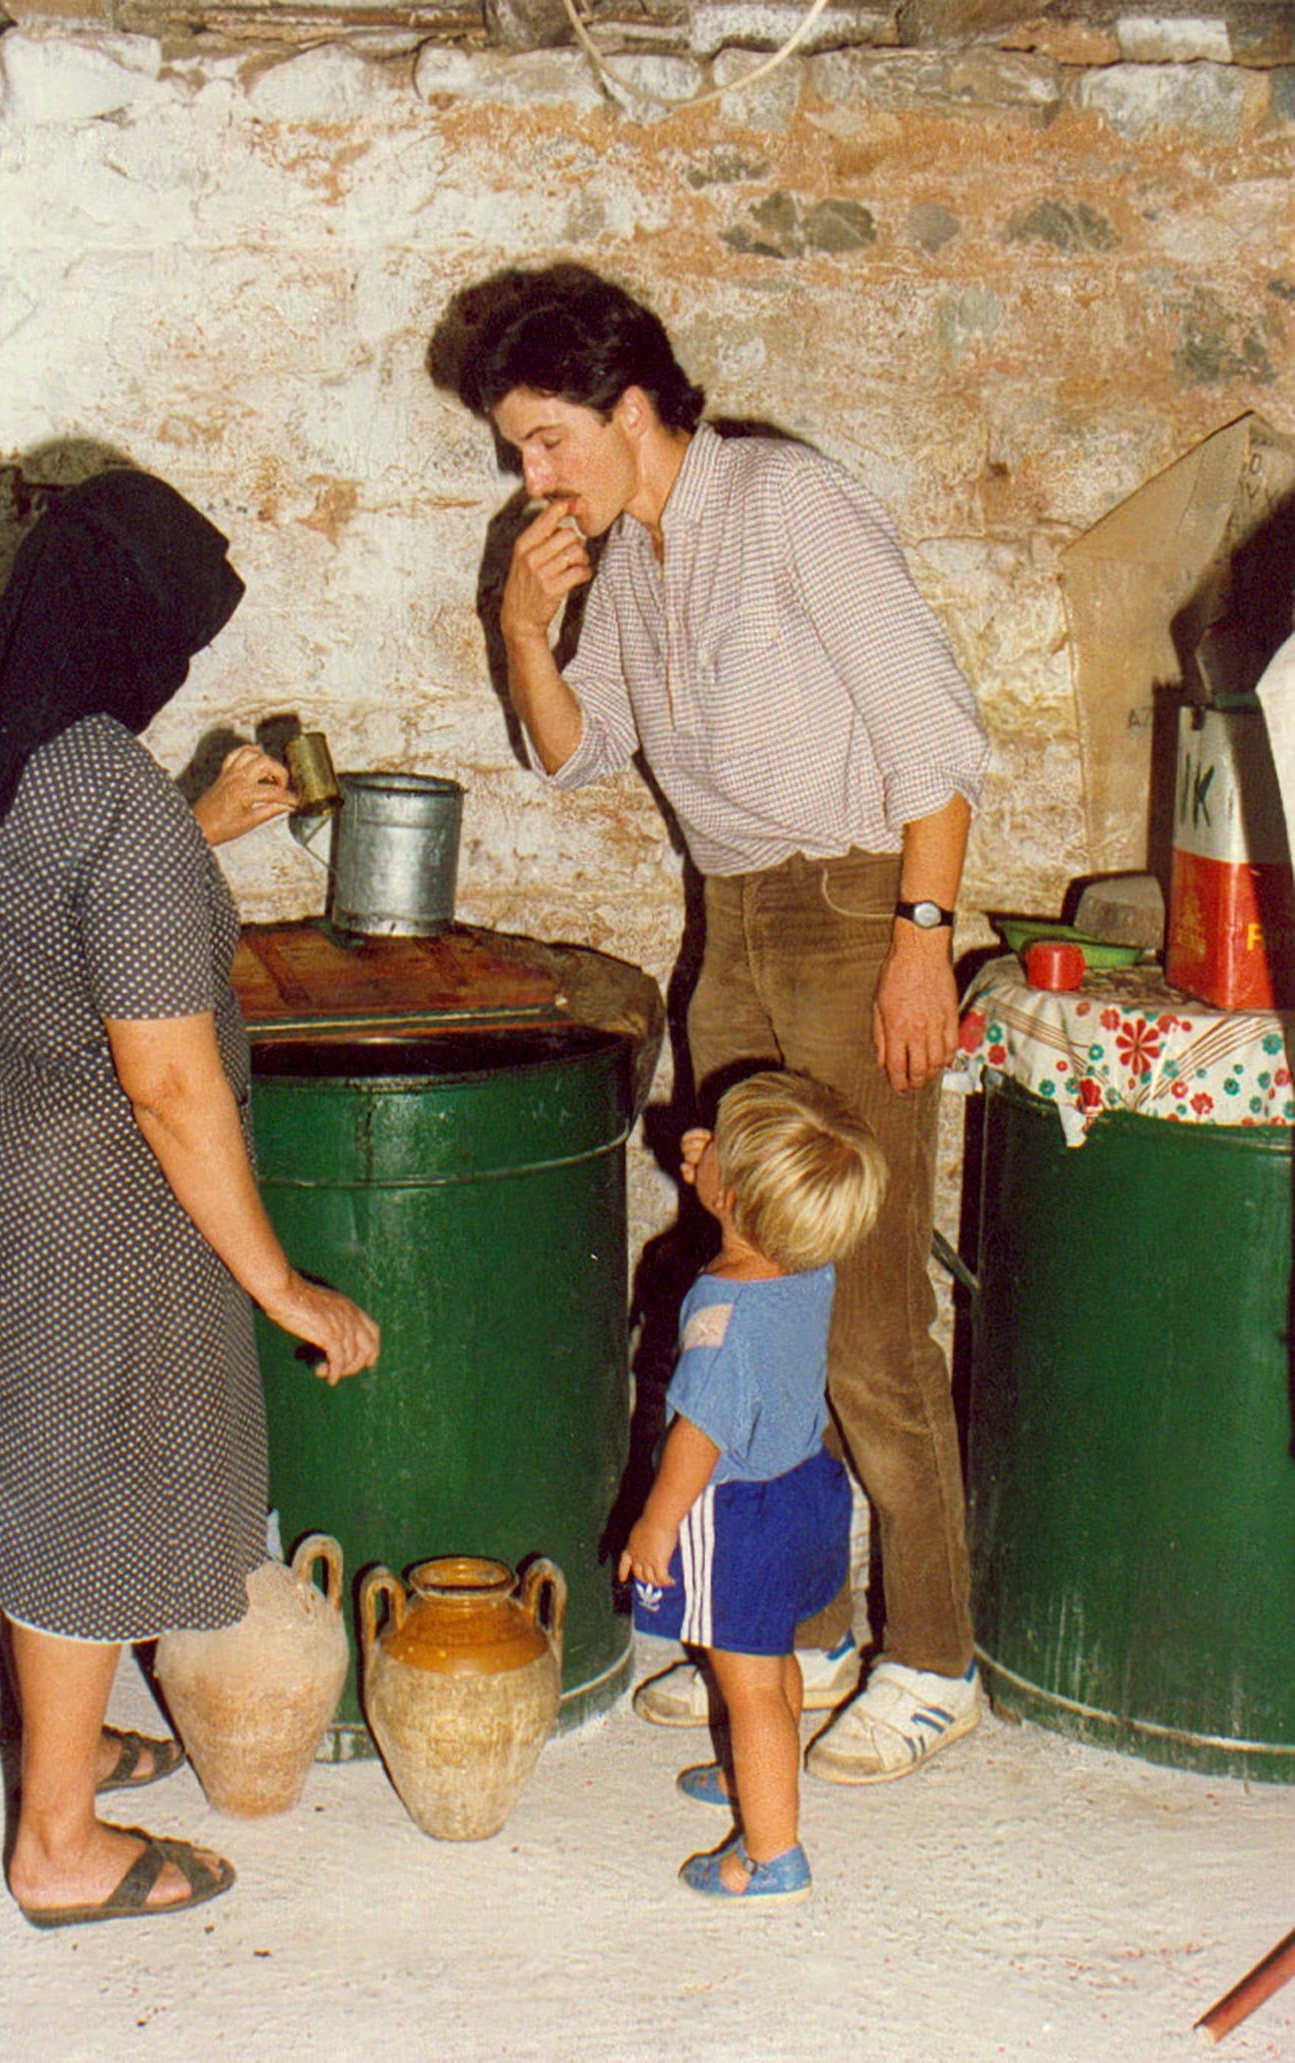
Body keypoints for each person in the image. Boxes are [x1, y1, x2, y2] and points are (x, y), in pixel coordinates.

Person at [436, 262, 990, 1782]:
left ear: (630, 408)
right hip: (734, 923)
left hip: (860, 906)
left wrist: (922, 941)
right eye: (519, 450)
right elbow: (577, 752)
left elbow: (936, 738)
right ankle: (801, 1627)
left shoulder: (788, 504)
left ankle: (935, 1654)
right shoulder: (637, 555)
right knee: (761, 1283)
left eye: (548, 440)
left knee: (866, 1318)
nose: (534, 476)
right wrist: (524, 628)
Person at [0, 467, 381, 1929]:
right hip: (93, 1200)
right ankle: (57, 1841)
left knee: (32, 1462)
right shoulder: (113, 795)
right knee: (91, 1489)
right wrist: (279, 1281)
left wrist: (193, 832)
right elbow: (170, 1086)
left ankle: (66, 1735)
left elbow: (31, 900)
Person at [619, 1071, 886, 1902]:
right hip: (805, 1488)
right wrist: (721, 1174)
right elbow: (754, 1215)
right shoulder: (810, 1261)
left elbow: (697, 1434)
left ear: (731, 1195)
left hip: (737, 1512)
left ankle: (771, 1853)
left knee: (749, 1684)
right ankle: (754, 1773)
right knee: (773, 1663)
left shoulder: (718, 1310)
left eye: (716, 1150)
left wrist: (656, 1524)